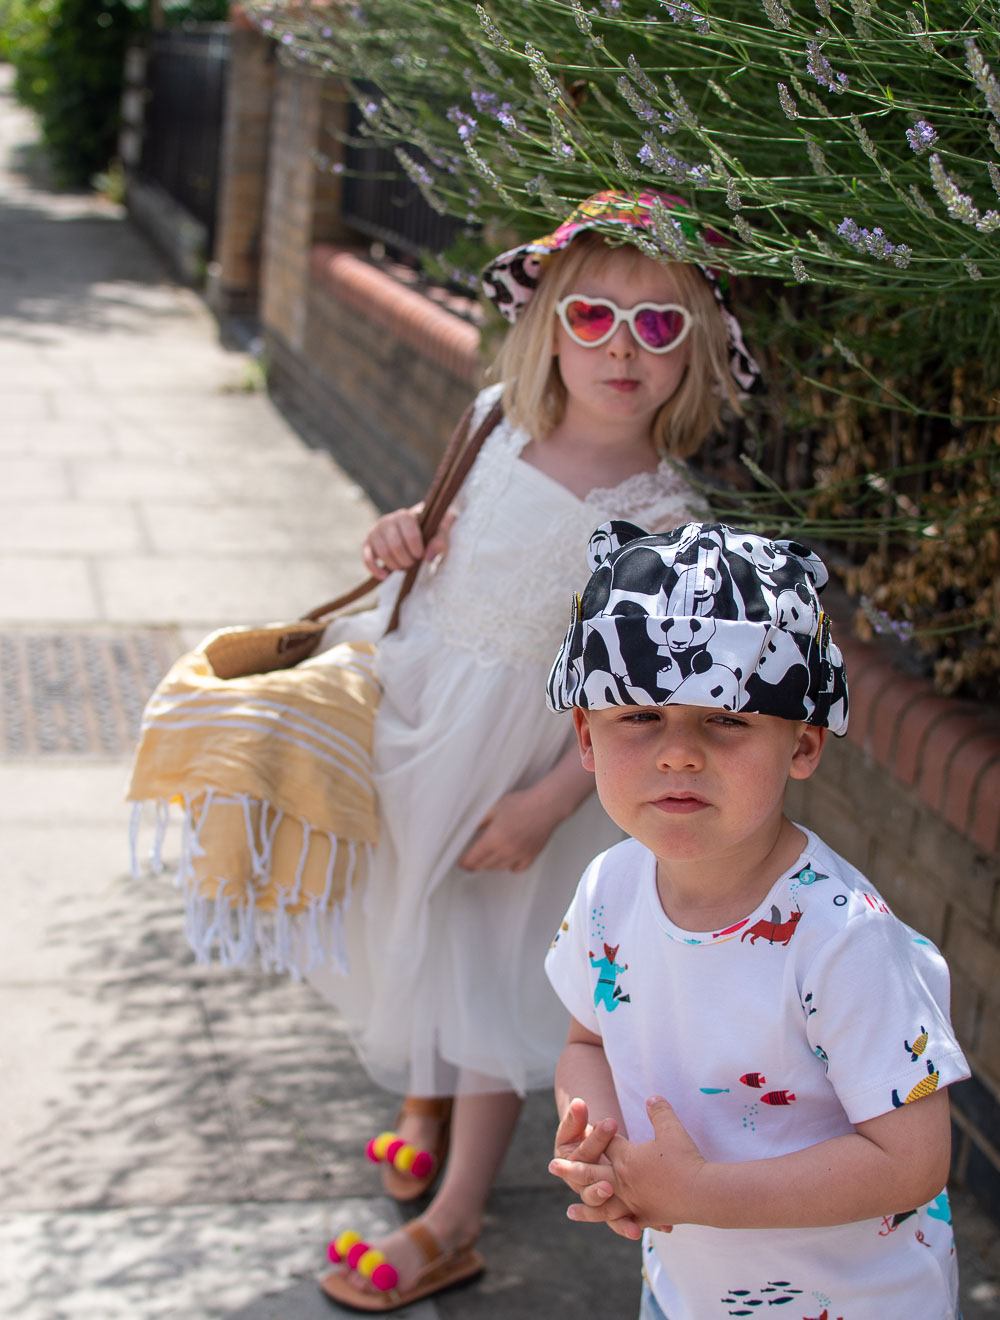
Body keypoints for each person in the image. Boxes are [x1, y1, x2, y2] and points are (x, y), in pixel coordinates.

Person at [308, 190, 762, 1311]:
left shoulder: (664, 520)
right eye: (593, 316)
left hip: (523, 775)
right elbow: (432, 535)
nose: (621, 348)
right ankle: (422, 1106)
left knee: (489, 979)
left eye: (659, 326)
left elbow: (648, 705)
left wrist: (550, 805)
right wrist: (396, 534)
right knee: (412, 916)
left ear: (693, 353)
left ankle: (456, 1218)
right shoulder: (488, 423)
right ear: (548, 323)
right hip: (425, 724)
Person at [543, 519, 970, 1320]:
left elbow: (914, 1162)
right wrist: (604, 1143)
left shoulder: (844, 939)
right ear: (586, 737)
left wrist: (702, 1191)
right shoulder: (609, 889)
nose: (678, 753)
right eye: (640, 716)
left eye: (727, 718)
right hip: (687, 1291)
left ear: (803, 744)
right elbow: (587, 1041)